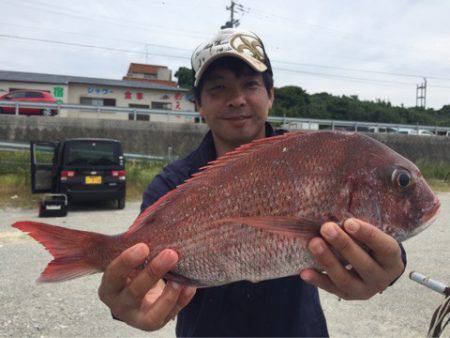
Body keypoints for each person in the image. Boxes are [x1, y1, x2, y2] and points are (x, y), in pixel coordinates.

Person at [98, 28, 407, 337]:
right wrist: (128, 298)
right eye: (219, 89)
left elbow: (371, 235)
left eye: (250, 85)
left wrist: (390, 266)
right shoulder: (173, 184)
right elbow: (144, 272)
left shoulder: (311, 157)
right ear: (199, 105)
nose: (237, 100)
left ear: (270, 95)